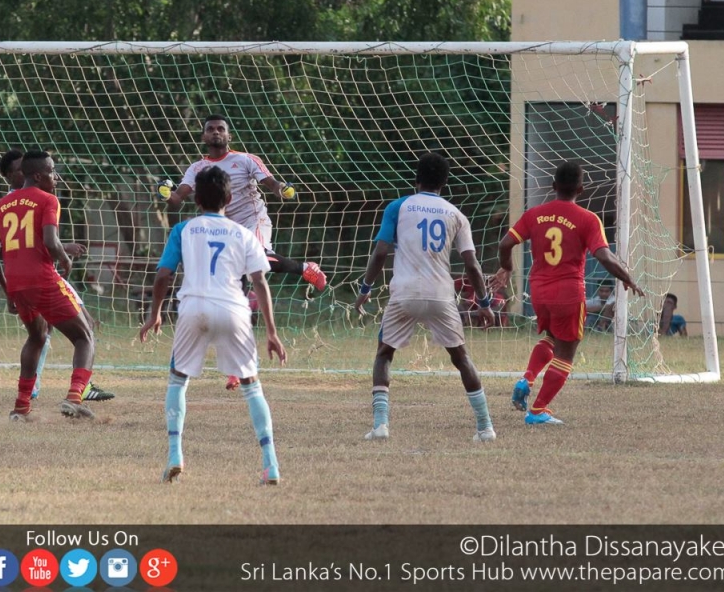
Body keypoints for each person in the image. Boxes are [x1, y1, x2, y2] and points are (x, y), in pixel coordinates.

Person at [140, 165, 287, 485]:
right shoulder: (244, 234)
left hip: (194, 308)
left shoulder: (184, 230)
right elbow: (259, 282)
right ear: (230, 199)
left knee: (178, 380)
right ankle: (271, 464)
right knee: (252, 387)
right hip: (234, 309)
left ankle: (175, 455)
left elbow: (163, 275)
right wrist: (272, 332)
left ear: (196, 200)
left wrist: (155, 313)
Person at [162, 114, 327, 390]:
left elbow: (271, 182)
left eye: (221, 129)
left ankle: (305, 268)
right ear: (204, 136)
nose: (216, 132)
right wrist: (166, 193)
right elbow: (177, 199)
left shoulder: (246, 160)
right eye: (211, 129)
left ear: (229, 136)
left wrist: (281, 189)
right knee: (234, 301)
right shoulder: (197, 168)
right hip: (223, 229)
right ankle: (236, 370)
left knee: (258, 260)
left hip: (253, 222)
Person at [354, 152, 497, 443]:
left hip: (404, 293)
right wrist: (484, 304)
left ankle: (381, 426)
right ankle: (485, 428)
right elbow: (472, 265)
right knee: (461, 358)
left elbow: (380, 252)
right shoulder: (456, 214)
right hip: (441, 295)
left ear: (416, 179)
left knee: (384, 354)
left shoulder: (398, 206)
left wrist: (365, 288)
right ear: (444, 183)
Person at [492, 161, 641, 425]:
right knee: (566, 352)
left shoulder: (534, 214)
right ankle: (537, 411)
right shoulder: (588, 219)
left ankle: (527, 378)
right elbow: (604, 256)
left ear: (553, 186)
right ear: (581, 189)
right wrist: (627, 277)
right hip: (568, 292)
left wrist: (507, 267)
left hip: (538, 291)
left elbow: (505, 244)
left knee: (552, 337)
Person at [0, 150, 97, 422]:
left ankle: (21, 407)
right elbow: (50, 241)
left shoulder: (2, 204)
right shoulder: (48, 199)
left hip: (17, 284)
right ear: (37, 175)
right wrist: (65, 259)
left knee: (37, 337)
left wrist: (7, 289)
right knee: (85, 336)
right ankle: (74, 397)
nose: (56, 177)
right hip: (42, 280)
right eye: (52, 171)